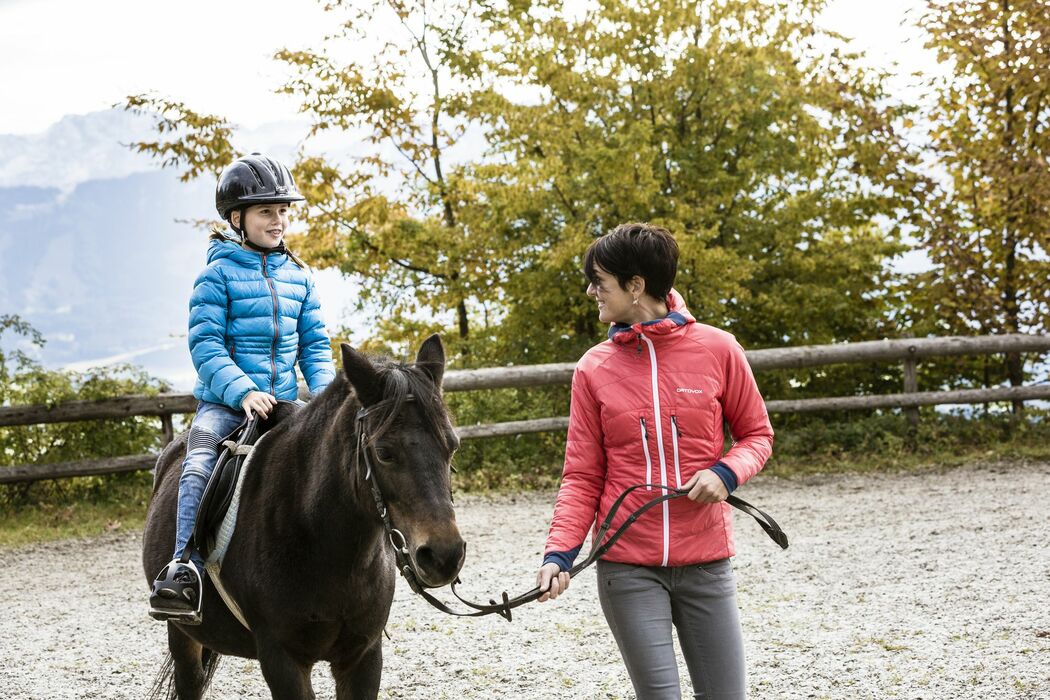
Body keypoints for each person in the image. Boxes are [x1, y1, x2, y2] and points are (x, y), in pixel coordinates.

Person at [535, 222, 774, 699]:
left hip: (706, 560)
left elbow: (757, 435)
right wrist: (559, 555)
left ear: (636, 286)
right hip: (627, 566)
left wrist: (726, 473)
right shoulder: (593, 368)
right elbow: (582, 475)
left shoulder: (719, 349)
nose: (591, 292)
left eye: (599, 282)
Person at [149, 153, 336, 623]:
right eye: (266, 212)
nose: (279, 220)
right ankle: (184, 566)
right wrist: (243, 392)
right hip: (227, 403)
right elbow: (207, 346)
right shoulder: (215, 276)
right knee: (198, 460)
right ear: (238, 219)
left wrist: (332, 398)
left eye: (283, 211)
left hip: (283, 402)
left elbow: (314, 345)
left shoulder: (299, 277)